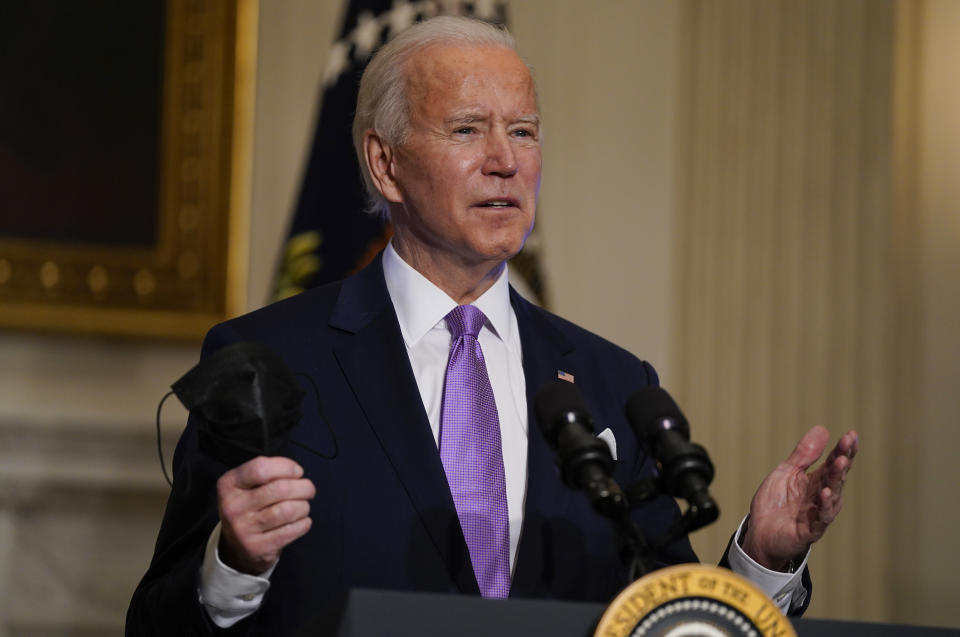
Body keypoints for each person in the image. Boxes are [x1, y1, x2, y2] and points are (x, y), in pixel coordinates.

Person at [126, 16, 858, 636]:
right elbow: (155, 621)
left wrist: (761, 557)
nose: (506, 161)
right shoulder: (268, 360)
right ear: (385, 164)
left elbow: (664, 617)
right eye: (469, 129)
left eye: (525, 131)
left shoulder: (613, 384)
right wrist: (233, 567)